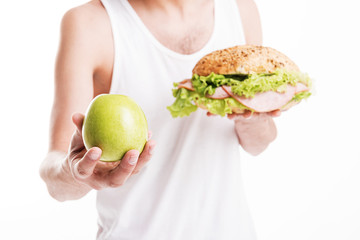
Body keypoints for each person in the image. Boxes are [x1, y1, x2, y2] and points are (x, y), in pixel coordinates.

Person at [39, 0, 279, 239]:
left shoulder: (241, 9)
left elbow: (258, 144)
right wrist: (75, 172)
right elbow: (55, 178)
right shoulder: (90, 23)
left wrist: (252, 118)